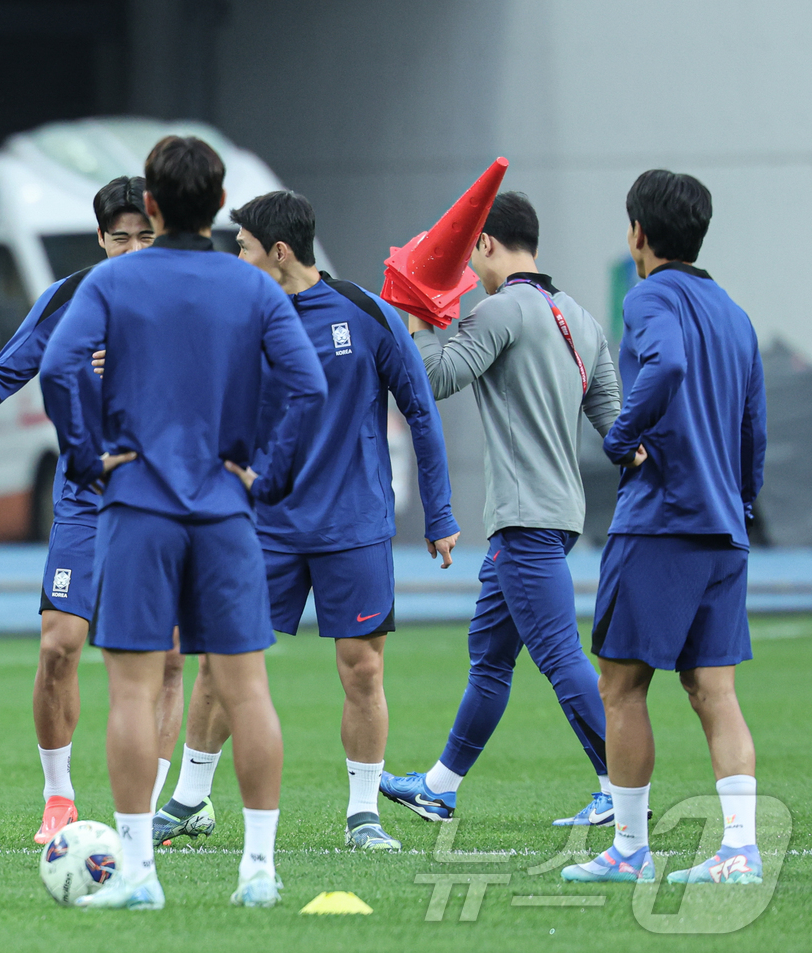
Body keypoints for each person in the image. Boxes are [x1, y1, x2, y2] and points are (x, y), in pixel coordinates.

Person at [40, 136, 327, 909]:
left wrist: (89, 455)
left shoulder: (111, 281)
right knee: (246, 689)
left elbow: (60, 366)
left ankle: (137, 873)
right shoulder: (253, 287)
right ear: (219, 199)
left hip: (138, 506)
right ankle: (259, 869)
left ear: (155, 206)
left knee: (132, 692)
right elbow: (307, 384)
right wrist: (265, 470)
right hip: (226, 510)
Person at [153, 190, 460, 853]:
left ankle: (362, 815)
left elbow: (421, 409)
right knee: (219, 663)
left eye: (243, 246)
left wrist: (439, 513)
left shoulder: (364, 313)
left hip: (353, 526)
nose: (235, 257)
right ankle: (189, 800)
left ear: (280, 252)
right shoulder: (238, 317)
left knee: (362, 672)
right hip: (263, 526)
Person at [0, 176, 185, 843]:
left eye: (146, 235)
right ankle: (59, 799)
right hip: (86, 497)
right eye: (120, 237)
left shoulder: (190, 292)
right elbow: (7, 379)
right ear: (101, 239)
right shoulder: (72, 298)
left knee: (166, 657)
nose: (133, 249)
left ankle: (157, 808)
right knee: (60, 643)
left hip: (167, 497)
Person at [381, 192, 624, 827]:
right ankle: (439, 787)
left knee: (560, 657)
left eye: (468, 249)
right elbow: (617, 428)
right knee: (489, 660)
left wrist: (419, 306)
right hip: (556, 514)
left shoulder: (501, 310)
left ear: (485, 244)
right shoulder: (581, 317)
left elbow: (432, 378)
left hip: (524, 522)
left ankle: (621, 791)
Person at [564, 171, 765, 884]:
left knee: (621, 686)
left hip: (660, 524)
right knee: (716, 692)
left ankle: (628, 848)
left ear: (637, 235)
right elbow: (753, 428)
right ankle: (740, 849)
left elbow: (669, 362)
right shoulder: (736, 314)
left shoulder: (648, 294)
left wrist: (620, 436)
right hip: (722, 528)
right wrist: (742, 503)